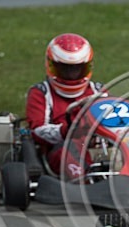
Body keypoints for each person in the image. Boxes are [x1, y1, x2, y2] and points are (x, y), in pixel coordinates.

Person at [25, 33, 106, 179]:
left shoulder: (99, 91)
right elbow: (37, 131)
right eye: (65, 69)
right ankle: (85, 183)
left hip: (100, 148)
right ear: (51, 65)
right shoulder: (41, 92)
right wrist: (67, 130)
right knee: (70, 152)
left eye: (77, 69)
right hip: (62, 147)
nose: (72, 75)